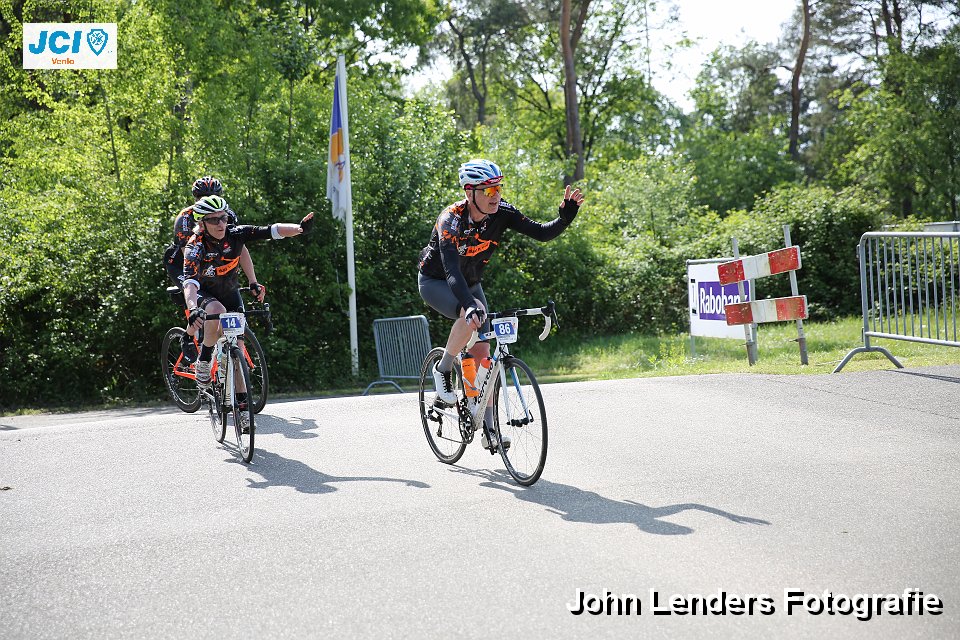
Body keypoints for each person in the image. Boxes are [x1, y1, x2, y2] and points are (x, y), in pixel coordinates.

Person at [417, 159, 584, 450]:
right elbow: (452, 272)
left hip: (471, 283)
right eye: (488, 190)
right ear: (469, 192)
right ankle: (443, 368)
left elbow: (541, 233)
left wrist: (565, 218)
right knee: (469, 313)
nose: (495, 195)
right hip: (437, 282)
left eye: (498, 188)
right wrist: (469, 306)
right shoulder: (451, 220)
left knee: (485, 357)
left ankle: (489, 429)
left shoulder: (502, 212)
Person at [183, 195, 314, 430]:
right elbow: (190, 283)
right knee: (216, 311)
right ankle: (204, 360)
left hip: (230, 292)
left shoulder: (236, 234)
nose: (221, 224)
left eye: (223, 218)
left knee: (238, 353)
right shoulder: (195, 246)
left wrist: (299, 229)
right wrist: (193, 307)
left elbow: (270, 230)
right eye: (214, 220)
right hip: (205, 293)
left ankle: (243, 410)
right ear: (202, 223)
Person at [169, 176, 266, 363]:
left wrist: (252, 280)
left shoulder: (226, 214)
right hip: (182, 264)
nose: (208, 200)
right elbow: (190, 259)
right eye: (203, 197)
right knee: (208, 305)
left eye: (213, 196)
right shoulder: (185, 219)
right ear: (196, 199)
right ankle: (190, 336)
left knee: (230, 317)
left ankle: (231, 362)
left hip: (212, 263)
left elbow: (239, 248)